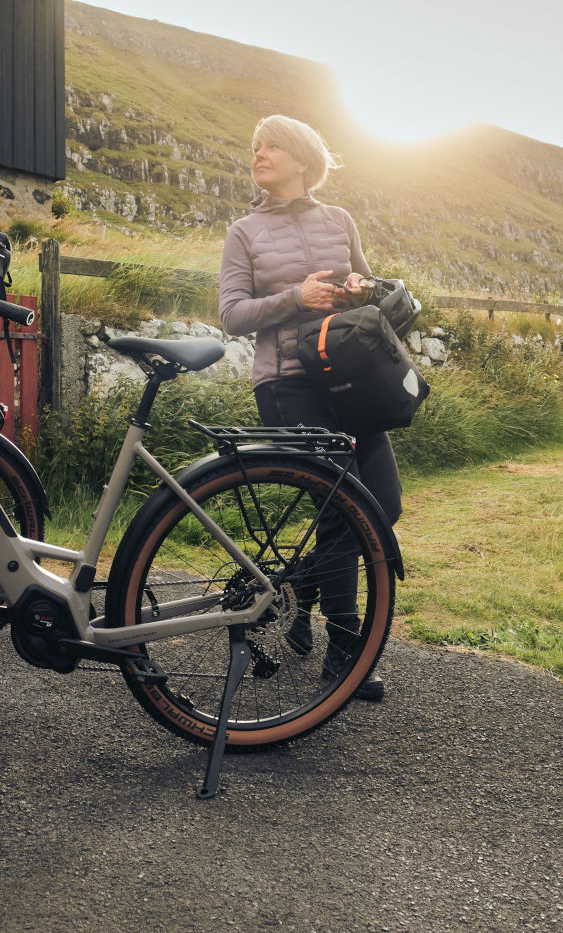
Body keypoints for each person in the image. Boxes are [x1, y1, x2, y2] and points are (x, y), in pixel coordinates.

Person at [217, 114, 398, 701]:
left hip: (353, 382)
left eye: (270, 145)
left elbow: (371, 294)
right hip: (288, 385)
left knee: (383, 504)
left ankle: (297, 586)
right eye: (255, 145)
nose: (259, 153)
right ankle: (348, 657)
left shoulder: (340, 219)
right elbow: (232, 314)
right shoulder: (243, 231)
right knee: (344, 510)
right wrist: (297, 297)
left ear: (301, 157)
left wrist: (362, 290)